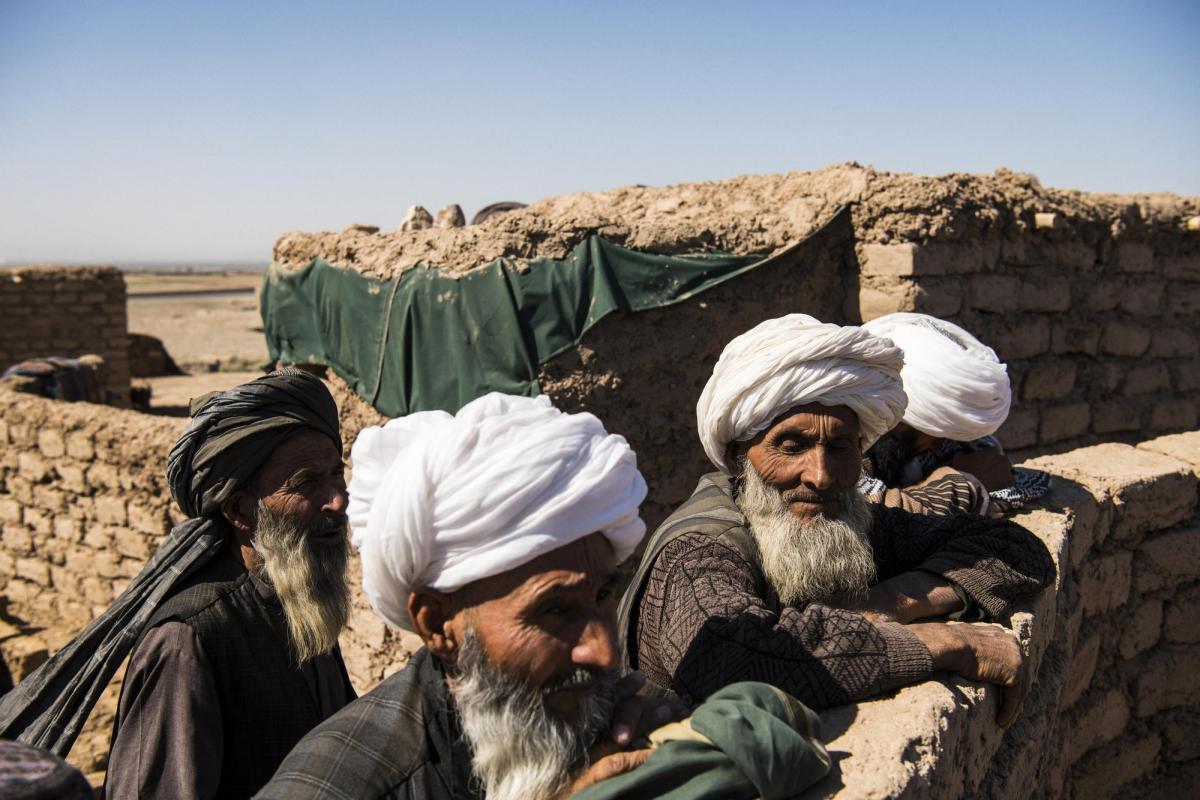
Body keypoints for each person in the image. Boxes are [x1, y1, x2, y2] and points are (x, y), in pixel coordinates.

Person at [257, 393, 832, 800]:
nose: (604, 652)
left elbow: (780, 732)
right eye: (553, 610)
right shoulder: (339, 783)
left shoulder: (603, 709)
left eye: (605, 595)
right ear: (438, 624)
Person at [620, 314, 1055, 727]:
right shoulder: (699, 550)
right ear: (738, 457)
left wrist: (888, 604)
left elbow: (1015, 548)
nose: (821, 475)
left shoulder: (841, 518)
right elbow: (732, 657)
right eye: (792, 446)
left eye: (841, 447)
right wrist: (943, 643)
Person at [104, 369, 357, 799]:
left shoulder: (302, 599)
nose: (337, 499)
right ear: (241, 510)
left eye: (337, 473)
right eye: (306, 483)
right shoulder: (189, 643)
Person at [860, 312, 1050, 515]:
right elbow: (869, 513)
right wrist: (963, 483)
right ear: (896, 415)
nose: (936, 447)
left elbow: (995, 464)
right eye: (934, 434)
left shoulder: (926, 443)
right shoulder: (841, 440)